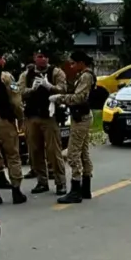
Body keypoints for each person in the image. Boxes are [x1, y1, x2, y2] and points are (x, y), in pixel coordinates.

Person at [18, 50, 68, 195]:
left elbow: (63, 89)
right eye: (40, 56)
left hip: (49, 116)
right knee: (34, 151)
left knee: (54, 151)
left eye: (45, 56)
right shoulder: (26, 74)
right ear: (34, 58)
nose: (43, 59)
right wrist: (32, 90)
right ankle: (42, 181)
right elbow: (20, 91)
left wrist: (49, 86)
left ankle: (60, 182)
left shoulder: (56, 72)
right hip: (32, 116)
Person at [52, 50, 97, 204]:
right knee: (83, 152)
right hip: (81, 116)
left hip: (81, 118)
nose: (71, 66)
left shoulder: (86, 76)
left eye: (73, 63)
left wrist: (60, 98)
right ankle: (85, 188)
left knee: (73, 154)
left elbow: (79, 97)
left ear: (81, 63)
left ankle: (76, 188)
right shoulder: (83, 75)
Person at [0, 49, 28, 204]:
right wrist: (20, 118)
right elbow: (16, 101)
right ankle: (16, 191)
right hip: (4, 120)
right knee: (13, 155)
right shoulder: (6, 77)